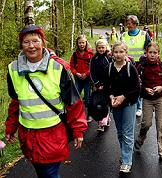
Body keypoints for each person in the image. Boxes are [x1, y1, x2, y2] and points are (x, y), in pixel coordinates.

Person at [5, 24, 88, 178]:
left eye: (35, 41)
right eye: (26, 42)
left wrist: (78, 130)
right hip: (28, 136)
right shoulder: (13, 69)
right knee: (41, 172)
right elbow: (15, 101)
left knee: (49, 174)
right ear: (21, 45)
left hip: (52, 135)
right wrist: (11, 127)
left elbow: (73, 102)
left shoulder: (58, 67)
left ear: (43, 42)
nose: (31, 46)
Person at [134, 42, 162, 161]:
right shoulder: (141, 66)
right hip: (147, 99)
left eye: (154, 53)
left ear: (158, 54)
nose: (152, 55)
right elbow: (137, 81)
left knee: (161, 125)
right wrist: (144, 89)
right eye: (150, 52)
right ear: (146, 53)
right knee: (146, 123)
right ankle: (140, 139)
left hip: (160, 99)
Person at [109, 42, 140, 173]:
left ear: (126, 53)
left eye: (121, 52)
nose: (118, 54)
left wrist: (123, 96)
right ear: (112, 53)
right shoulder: (109, 68)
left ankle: (127, 161)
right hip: (115, 104)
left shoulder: (130, 68)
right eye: (116, 52)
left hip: (129, 104)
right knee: (120, 132)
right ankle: (125, 154)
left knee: (127, 133)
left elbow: (136, 88)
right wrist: (110, 96)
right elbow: (107, 86)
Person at [122, 15, 151, 117]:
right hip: (127, 64)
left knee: (138, 85)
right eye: (127, 23)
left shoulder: (144, 34)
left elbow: (149, 49)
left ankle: (139, 107)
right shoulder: (124, 35)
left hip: (140, 64)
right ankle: (130, 104)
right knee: (129, 85)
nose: (127, 25)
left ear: (135, 24)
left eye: (129, 23)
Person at [70, 35, 94, 123]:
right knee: (75, 96)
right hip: (78, 79)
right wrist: (77, 73)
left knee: (87, 97)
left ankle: (89, 114)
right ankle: (76, 114)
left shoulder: (90, 54)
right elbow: (71, 66)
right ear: (77, 44)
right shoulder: (75, 54)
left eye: (83, 42)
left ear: (86, 43)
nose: (81, 44)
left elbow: (92, 67)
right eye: (80, 43)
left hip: (87, 79)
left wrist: (86, 74)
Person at [90, 39, 112, 132]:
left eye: (103, 47)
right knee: (97, 104)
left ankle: (104, 121)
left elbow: (111, 72)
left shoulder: (109, 58)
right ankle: (102, 121)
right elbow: (92, 72)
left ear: (106, 47)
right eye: (99, 48)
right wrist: (96, 83)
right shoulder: (94, 59)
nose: (101, 49)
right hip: (97, 86)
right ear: (96, 48)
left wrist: (105, 84)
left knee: (105, 103)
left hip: (107, 85)